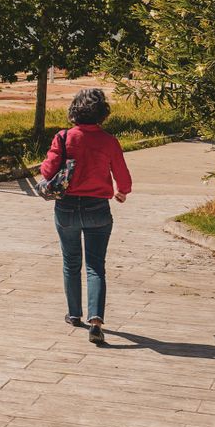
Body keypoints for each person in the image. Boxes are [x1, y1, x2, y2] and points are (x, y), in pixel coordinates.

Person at [38, 87, 131, 345]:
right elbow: (122, 176)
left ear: (75, 111)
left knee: (71, 262)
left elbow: (47, 172)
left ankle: (74, 314)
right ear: (102, 114)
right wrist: (121, 191)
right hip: (98, 209)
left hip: (66, 208)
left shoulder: (64, 137)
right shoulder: (109, 141)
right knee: (95, 266)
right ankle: (96, 321)